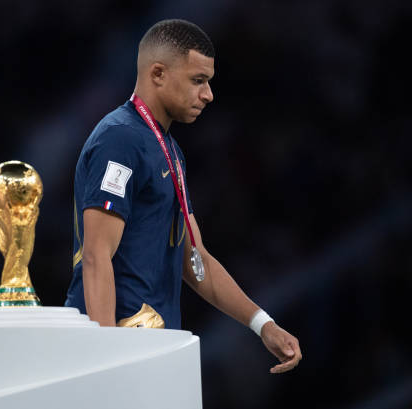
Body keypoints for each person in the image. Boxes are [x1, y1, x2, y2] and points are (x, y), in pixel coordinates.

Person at [65, 19, 302, 373]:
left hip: (154, 346)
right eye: (198, 81)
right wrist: (106, 360)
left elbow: (196, 260)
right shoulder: (120, 140)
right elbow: (97, 256)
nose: (208, 94)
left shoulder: (169, 150)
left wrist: (262, 324)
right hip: (121, 349)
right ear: (158, 73)